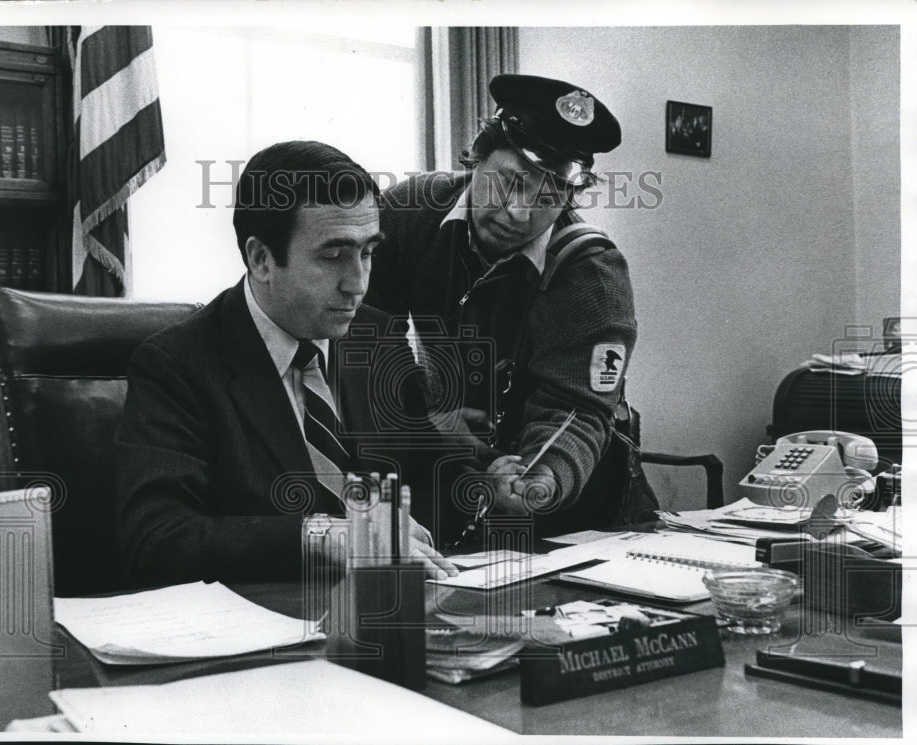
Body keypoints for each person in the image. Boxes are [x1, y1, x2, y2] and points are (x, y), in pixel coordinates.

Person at [116, 140, 458, 585]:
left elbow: (431, 472)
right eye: (333, 256)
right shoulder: (176, 364)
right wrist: (321, 536)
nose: (357, 284)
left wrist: (483, 488)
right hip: (262, 632)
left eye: (368, 252)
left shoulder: (374, 338)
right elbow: (156, 538)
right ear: (261, 259)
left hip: (385, 615)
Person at [366, 74, 638, 535]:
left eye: (549, 196)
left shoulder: (592, 272)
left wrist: (542, 477)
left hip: (564, 504)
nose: (518, 212)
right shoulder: (409, 210)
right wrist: (422, 417)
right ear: (478, 154)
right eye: (511, 182)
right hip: (442, 468)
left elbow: (577, 408)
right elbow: (366, 338)